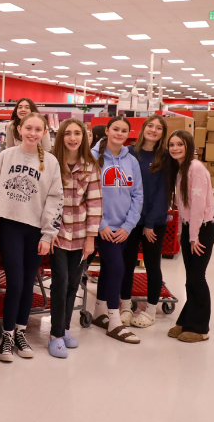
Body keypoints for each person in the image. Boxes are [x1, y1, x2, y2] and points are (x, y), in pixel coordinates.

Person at [0, 112, 63, 363]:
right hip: (10, 226)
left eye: (38, 129)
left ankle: (21, 333)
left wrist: (48, 234)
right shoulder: (6, 156)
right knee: (15, 282)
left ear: (45, 133)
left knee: (27, 284)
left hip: (35, 231)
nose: (33, 133)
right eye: (28, 128)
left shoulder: (51, 163)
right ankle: (7, 335)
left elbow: (55, 200)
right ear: (19, 129)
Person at [48, 119, 101, 358]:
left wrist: (91, 238)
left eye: (77, 133)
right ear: (61, 136)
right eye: (67, 133)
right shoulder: (50, 162)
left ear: (84, 137)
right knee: (59, 283)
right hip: (57, 234)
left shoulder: (91, 166)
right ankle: (55, 334)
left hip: (80, 236)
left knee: (73, 283)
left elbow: (95, 204)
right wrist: (48, 232)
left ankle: (66, 328)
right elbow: (43, 201)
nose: (72, 138)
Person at [90, 117, 144, 344]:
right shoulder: (93, 157)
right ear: (108, 130)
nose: (119, 133)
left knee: (110, 269)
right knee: (116, 268)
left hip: (122, 229)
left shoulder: (131, 161)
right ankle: (114, 320)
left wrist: (128, 226)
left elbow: (138, 195)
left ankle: (99, 312)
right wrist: (101, 224)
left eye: (124, 130)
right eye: (116, 129)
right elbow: (87, 191)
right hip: (98, 227)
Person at [167, 130, 214, 342]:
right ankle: (186, 320)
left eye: (180, 144)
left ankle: (200, 328)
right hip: (191, 228)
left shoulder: (195, 169)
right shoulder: (181, 169)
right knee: (191, 278)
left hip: (202, 229)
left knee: (197, 278)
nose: (175, 148)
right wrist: (183, 232)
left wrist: (194, 237)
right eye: (172, 144)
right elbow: (184, 206)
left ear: (189, 146)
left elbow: (197, 207)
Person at [121, 115, 169, 328]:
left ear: (162, 133)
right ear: (143, 128)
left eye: (158, 128)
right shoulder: (129, 152)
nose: (153, 130)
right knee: (126, 264)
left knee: (152, 266)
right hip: (130, 220)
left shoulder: (166, 157)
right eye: (150, 125)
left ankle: (150, 310)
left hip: (153, 222)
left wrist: (150, 223)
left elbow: (163, 194)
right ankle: (124, 305)